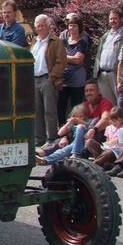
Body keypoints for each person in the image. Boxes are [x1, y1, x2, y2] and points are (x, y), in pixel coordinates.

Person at [31, 14, 66, 147]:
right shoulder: (34, 41)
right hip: (35, 79)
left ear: (48, 27)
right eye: (38, 26)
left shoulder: (55, 41)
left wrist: (52, 77)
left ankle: (51, 138)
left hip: (48, 78)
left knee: (49, 111)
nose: (40, 28)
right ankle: (39, 138)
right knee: (37, 110)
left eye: (42, 26)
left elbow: (61, 62)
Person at [58, 18, 91, 124]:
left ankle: (76, 129)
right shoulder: (63, 41)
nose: (72, 27)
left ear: (79, 27)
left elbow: (78, 60)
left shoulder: (82, 43)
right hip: (63, 79)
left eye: (75, 25)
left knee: (76, 107)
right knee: (61, 107)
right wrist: (68, 58)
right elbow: (56, 57)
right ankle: (62, 130)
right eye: (70, 25)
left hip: (77, 80)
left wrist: (63, 56)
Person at [95, 9, 123, 104]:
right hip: (103, 74)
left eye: (115, 18)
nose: (112, 21)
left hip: (116, 74)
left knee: (120, 103)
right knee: (108, 104)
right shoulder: (106, 35)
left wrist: (122, 77)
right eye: (111, 19)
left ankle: (122, 120)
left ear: (121, 19)